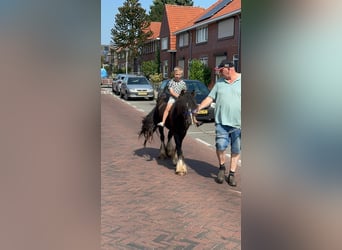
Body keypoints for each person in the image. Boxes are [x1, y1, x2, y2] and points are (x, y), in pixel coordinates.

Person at [195, 60, 241, 186]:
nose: (220, 73)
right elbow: (210, 98)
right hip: (221, 122)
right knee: (220, 146)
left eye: (221, 71)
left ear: (229, 69)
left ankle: (231, 174)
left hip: (239, 124)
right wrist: (199, 108)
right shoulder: (219, 83)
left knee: (236, 149)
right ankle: (222, 167)